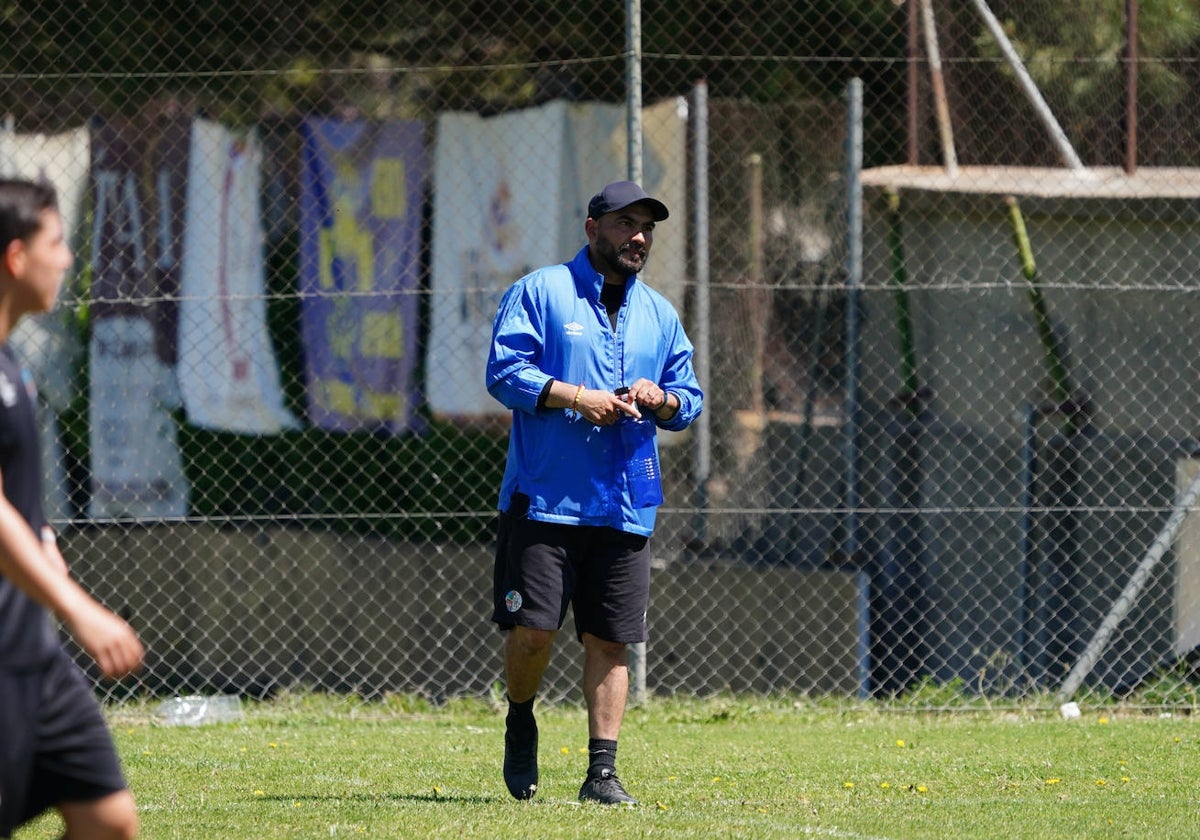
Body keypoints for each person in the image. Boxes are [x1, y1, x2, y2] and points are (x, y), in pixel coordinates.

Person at [485, 180, 703, 805]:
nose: (638, 236)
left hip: (623, 505)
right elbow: (504, 373)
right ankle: (520, 717)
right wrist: (576, 395)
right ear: (592, 228)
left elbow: (687, 398)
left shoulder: (660, 314)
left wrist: (661, 399)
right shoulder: (541, 292)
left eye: (647, 227)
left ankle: (601, 772)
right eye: (625, 223)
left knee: (611, 640)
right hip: (545, 499)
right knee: (533, 632)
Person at [0, 179, 145, 840]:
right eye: (55, 243)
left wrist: (44, 532)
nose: (66, 259)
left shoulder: (12, 363)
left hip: (34, 652)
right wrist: (77, 606)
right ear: (15, 257)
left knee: (108, 822)